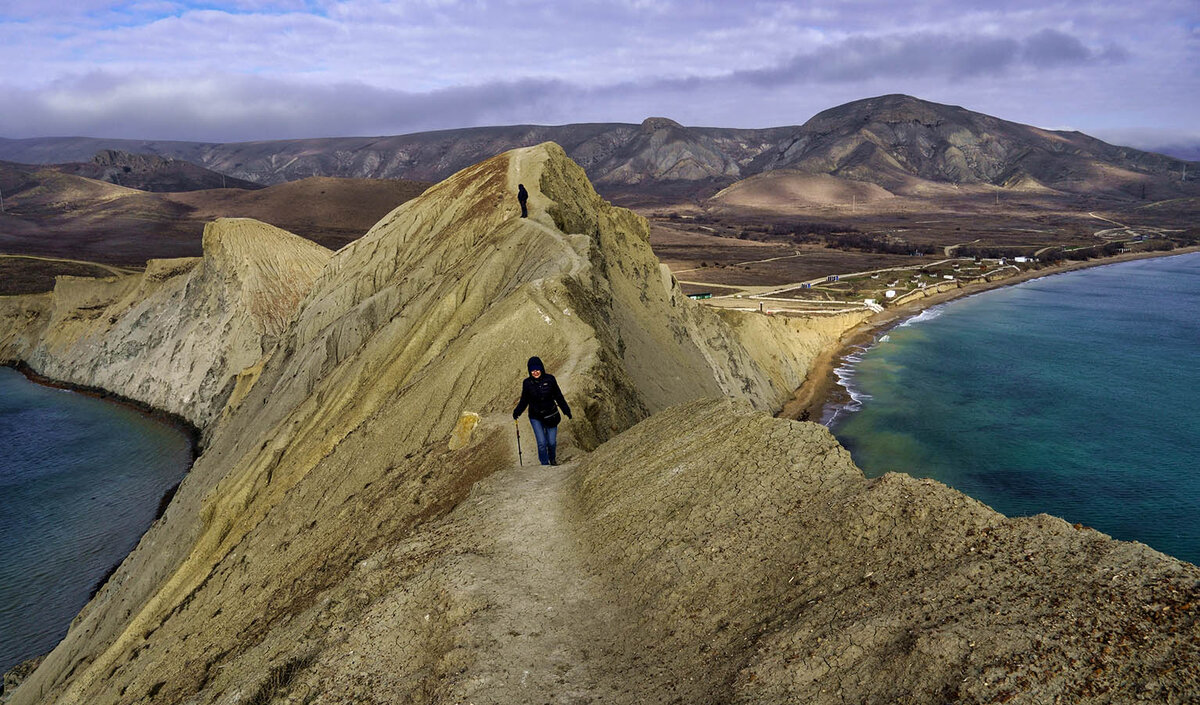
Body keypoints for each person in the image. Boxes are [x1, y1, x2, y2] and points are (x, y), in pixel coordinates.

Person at [512, 356, 571, 465]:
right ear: (529, 371)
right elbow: (524, 400)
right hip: (536, 417)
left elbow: (558, 396)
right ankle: (545, 464)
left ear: (542, 368)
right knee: (542, 443)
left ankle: (552, 459)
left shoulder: (550, 379)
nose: (535, 372)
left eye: (537, 369)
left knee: (552, 442)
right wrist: (517, 412)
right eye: (532, 370)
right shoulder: (527, 383)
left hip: (551, 415)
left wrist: (566, 410)